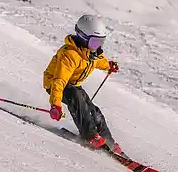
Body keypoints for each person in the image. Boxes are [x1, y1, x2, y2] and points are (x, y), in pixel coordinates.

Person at [42, 14, 122, 154]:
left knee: (93, 110)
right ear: (83, 38)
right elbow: (59, 81)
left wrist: (108, 65)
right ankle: (90, 136)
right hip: (55, 85)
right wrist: (55, 105)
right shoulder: (70, 55)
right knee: (77, 100)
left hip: (73, 85)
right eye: (94, 43)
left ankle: (108, 141)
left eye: (100, 43)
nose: (98, 47)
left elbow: (99, 61)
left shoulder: (92, 53)